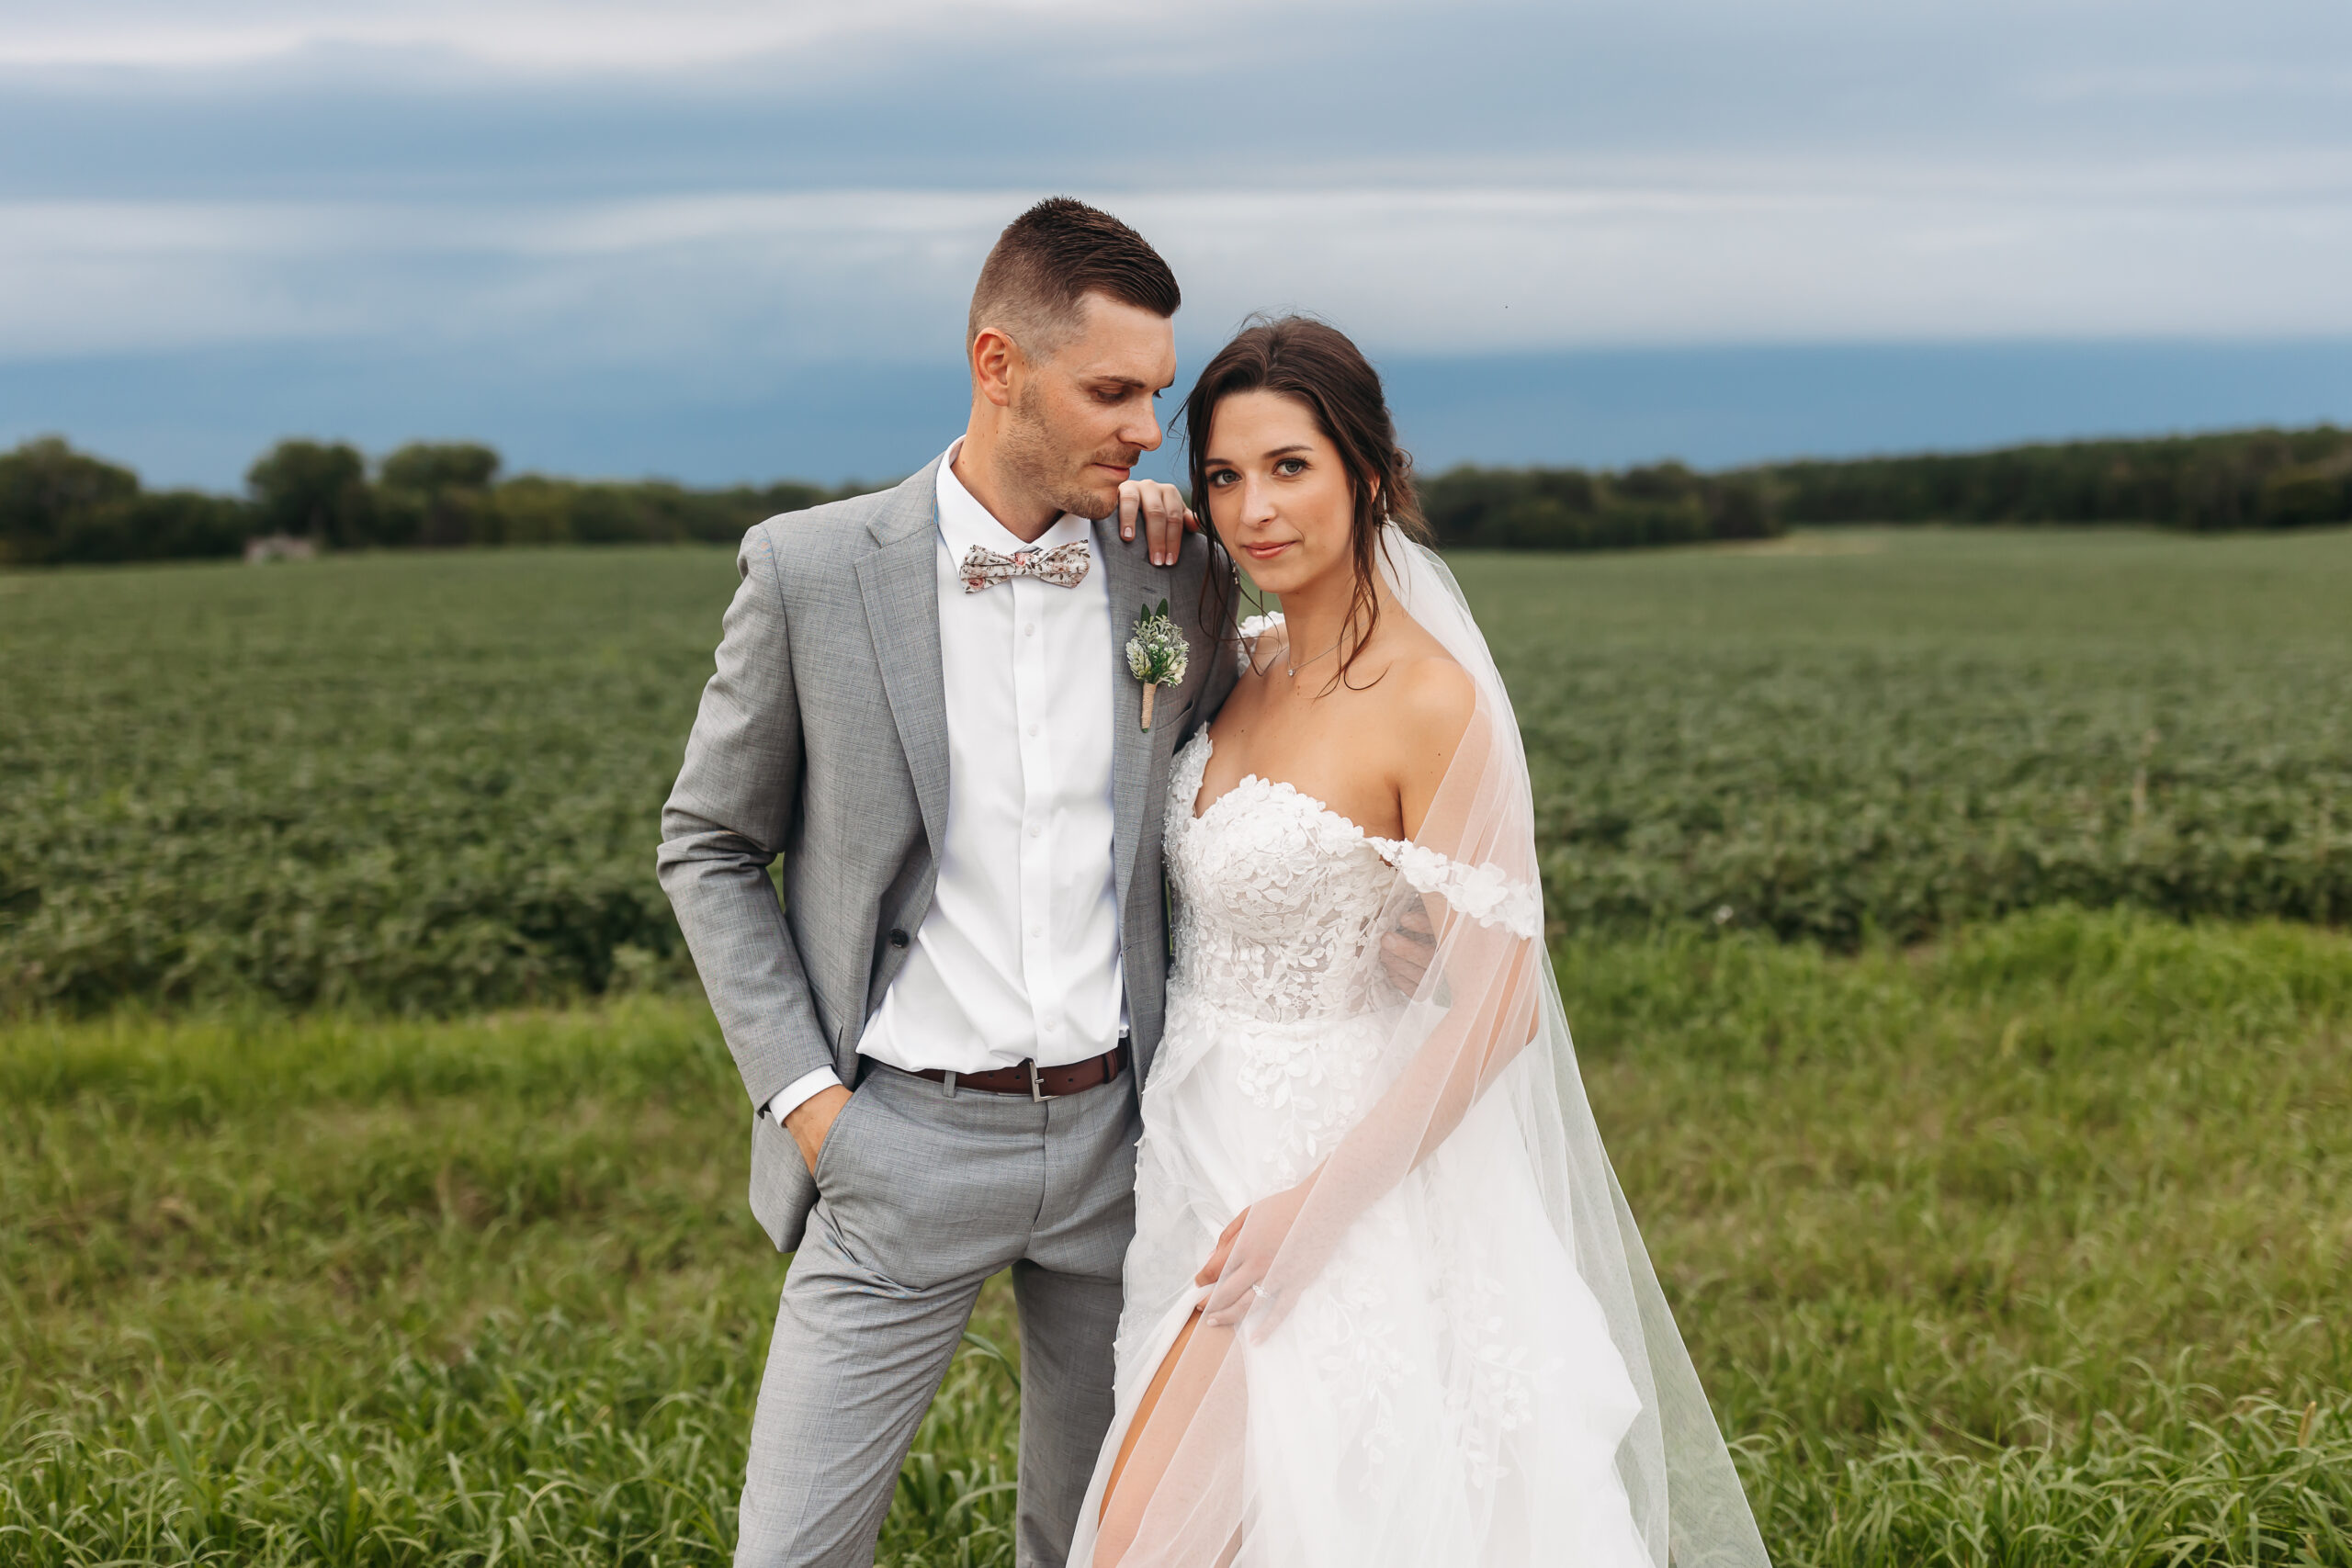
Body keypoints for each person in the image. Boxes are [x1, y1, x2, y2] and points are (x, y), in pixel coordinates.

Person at [1066, 318, 1771, 1568]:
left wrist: (1314, 1210)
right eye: (1226, 476)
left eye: (1291, 468)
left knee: (1146, 1540)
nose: (1255, 510)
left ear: (1368, 473)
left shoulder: (1430, 698)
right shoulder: (1249, 659)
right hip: (1196, 1141)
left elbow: (1500, 1004)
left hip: (1329, 1163)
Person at [657, 197, 1235, 1568]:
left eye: (1156, 391)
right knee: (792, 1551)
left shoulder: (1176, 577)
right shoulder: (808, 570)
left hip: (1123, 1145)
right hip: (895, 1143)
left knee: (1098, 1546)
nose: (1147, 427)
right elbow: (709, 844)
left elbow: (1297, 724)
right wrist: (811, 1107)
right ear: (997, 365)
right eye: (1111, 391)